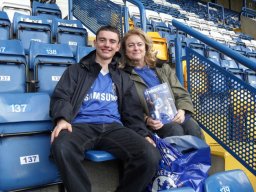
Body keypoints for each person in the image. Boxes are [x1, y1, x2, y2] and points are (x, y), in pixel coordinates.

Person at [50, 25, 161, 192]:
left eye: (112, 41)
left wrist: (142, 133)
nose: (107, 45)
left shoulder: (123, 77)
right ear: (95, 43)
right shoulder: (76, 71)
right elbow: (61, 96)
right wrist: (62, 119)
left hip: (113, 128)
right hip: (81, 126)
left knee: (150, 155)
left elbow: (132, 112)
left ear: (117, 47)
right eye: (102, 40)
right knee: (62, 146)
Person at [119, 28, 204, 139]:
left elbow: (181, 93)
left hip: (174, 115)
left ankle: (200, 157)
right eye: (131, 45)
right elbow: (126, 107)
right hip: (152, 123)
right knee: (174, 129)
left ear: (146, 47)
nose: (136, 48)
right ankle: (175, 157)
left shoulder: (162, 67)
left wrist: (182, 110)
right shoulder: (123, 74)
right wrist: (146, 119)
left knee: (193, 127)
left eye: (139, 44)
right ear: (125, 50)